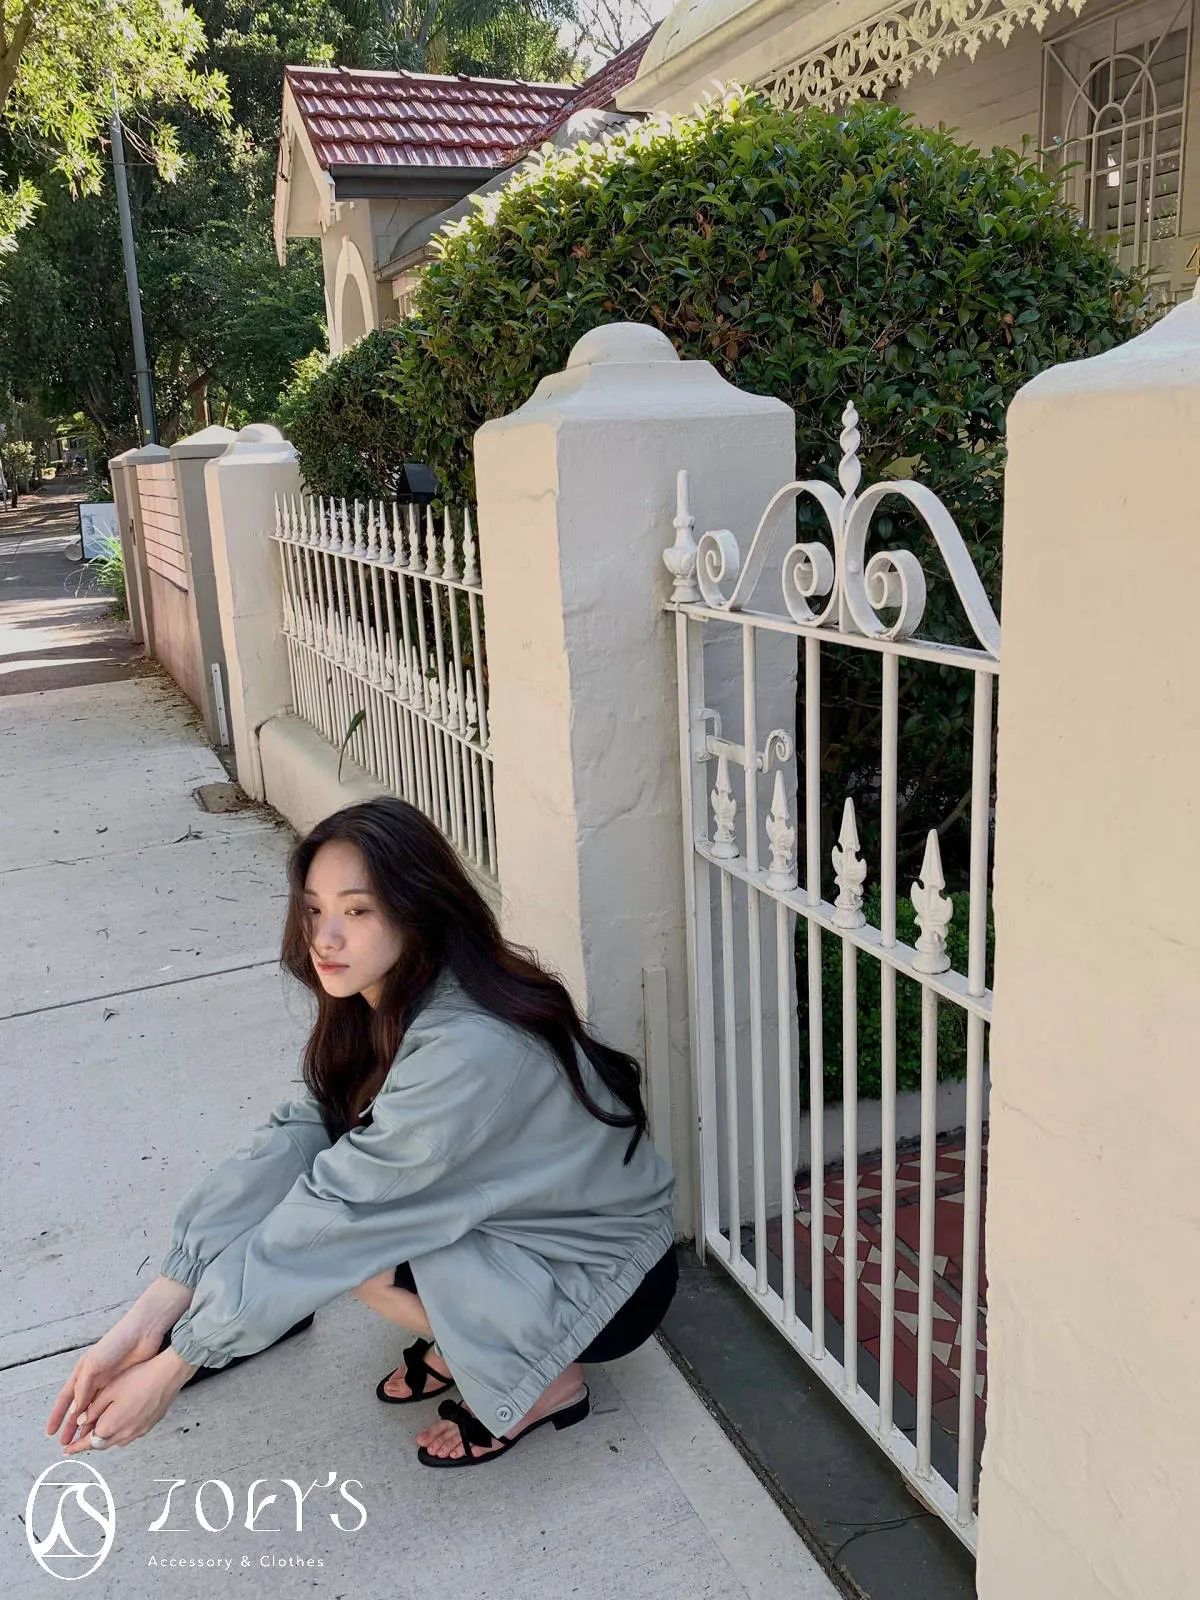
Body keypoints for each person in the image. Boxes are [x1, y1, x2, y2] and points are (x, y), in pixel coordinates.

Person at [44, 797, 678, 1467]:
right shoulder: (398, 995)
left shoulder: (465, 1048)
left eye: (357, 911)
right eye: (314, 909)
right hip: (530, 1225)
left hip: (608, 1280)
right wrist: (155, 1309)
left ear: (417, 909)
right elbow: (301, 1139)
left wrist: (179, 1363)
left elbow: (337, 1216)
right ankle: (472, 1335)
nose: (325, 938)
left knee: (364, 1263)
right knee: (322, 1202)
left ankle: (545, 1380)